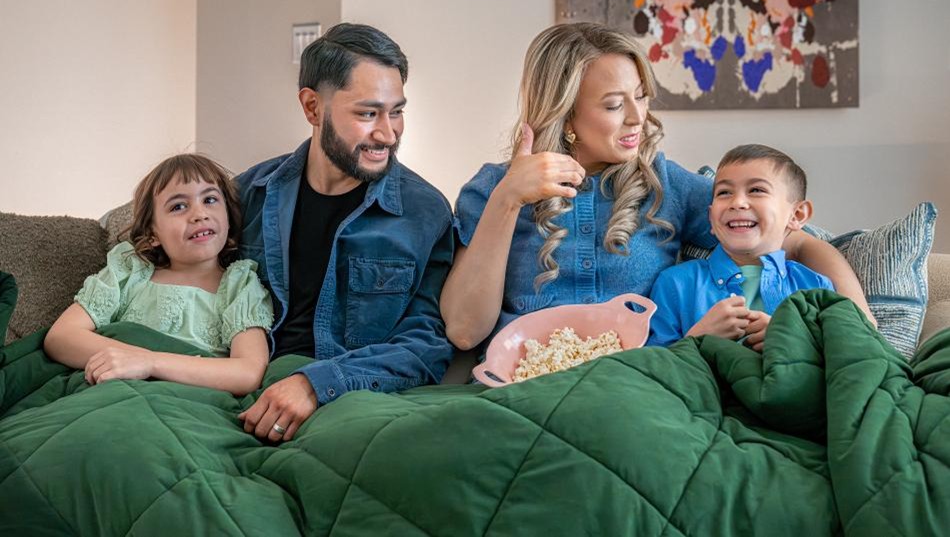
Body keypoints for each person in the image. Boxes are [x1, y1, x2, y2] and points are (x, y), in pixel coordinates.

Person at [441, 22, 873, 352]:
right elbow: (464, 331)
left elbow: (794, 241)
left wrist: (858, 321)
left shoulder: (665, 183)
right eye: (615, 105)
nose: (638, 118)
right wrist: (508, 198)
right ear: (565, 114)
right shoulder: (492, 188)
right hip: (523, 384)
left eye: (641, 96)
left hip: (637, 386)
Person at [235, 23, 454, 443]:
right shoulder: (248, 194)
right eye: (368, 114)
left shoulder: (425, 213)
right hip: (238, 392)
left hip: (350, 403)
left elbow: (426, 344)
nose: (388, 134)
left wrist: (316, 384)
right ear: (312, 108)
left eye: (396, 112)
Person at [44, 154, 274, 396]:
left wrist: (149, 363)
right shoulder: (131, 271)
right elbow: (61, 337)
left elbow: (248, 372)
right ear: (152, 234)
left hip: (186, 402)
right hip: (115, 393)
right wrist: (128, 361)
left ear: (228, 218)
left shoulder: (240, 285)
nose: (199, 214)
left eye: (210, 199)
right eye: (178, 206)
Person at [647, 144, 834, 350]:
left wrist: (792, 339)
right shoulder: (675, 283)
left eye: (756, 190)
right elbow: (649, 364)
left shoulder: (816, 287)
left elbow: (840, 355)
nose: (737, 202)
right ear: (711, 218)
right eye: (724, 192)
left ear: (796, 215)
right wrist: (697, 339)